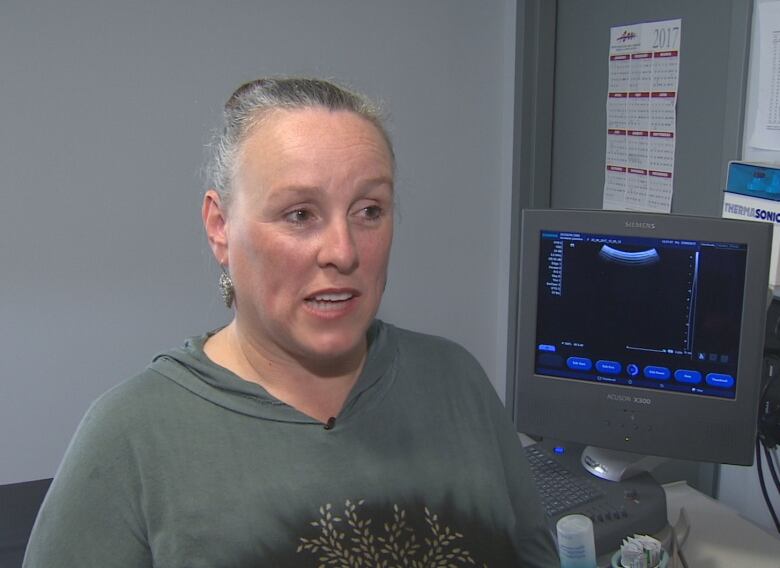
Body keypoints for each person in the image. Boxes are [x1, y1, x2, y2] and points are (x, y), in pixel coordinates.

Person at [23, 77, 558, 567]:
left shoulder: (456, 381)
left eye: (368, 210)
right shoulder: (130, 440)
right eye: (300, 214)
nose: (343, 252)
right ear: (220, 228)